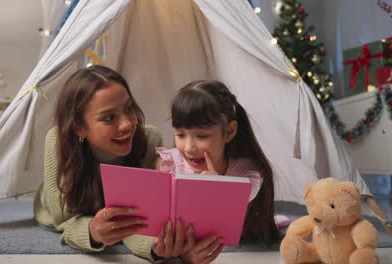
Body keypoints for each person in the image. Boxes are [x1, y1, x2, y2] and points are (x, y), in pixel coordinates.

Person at [125, 80, 283, 263]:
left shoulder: (246, 174)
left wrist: (218, 188)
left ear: (229, 131)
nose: (189, 147)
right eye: (180, 135)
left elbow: (227, 227)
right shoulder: (168, 165)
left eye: (201, 136)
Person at [33, 65, 163, 258]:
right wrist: (92, 231)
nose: (127, 124)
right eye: (109, 118)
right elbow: (64, 220)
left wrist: (157, 246)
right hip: (66, 206)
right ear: (79, 127)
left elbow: (141, 218)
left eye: (129, 109)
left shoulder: (150, 139)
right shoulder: (58, 141)